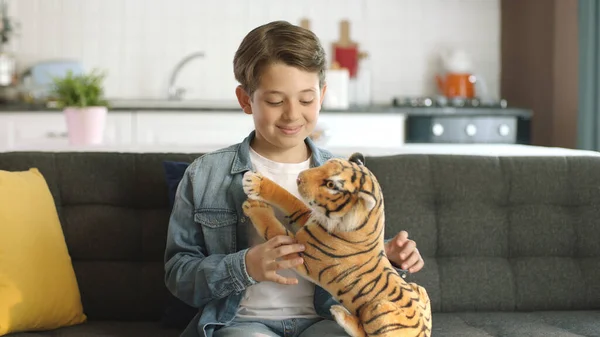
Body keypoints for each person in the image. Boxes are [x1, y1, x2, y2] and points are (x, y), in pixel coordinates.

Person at [164, 20, 425, 337]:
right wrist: (245, 266)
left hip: (326, 319)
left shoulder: (343, 176)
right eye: (275, 101)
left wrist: (387, 255)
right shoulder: (205, 175)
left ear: (322, 95)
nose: (292, 115)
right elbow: (179, 273)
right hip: (242, 323)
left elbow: (352, 253)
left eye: (306, 100)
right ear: (246, 100)